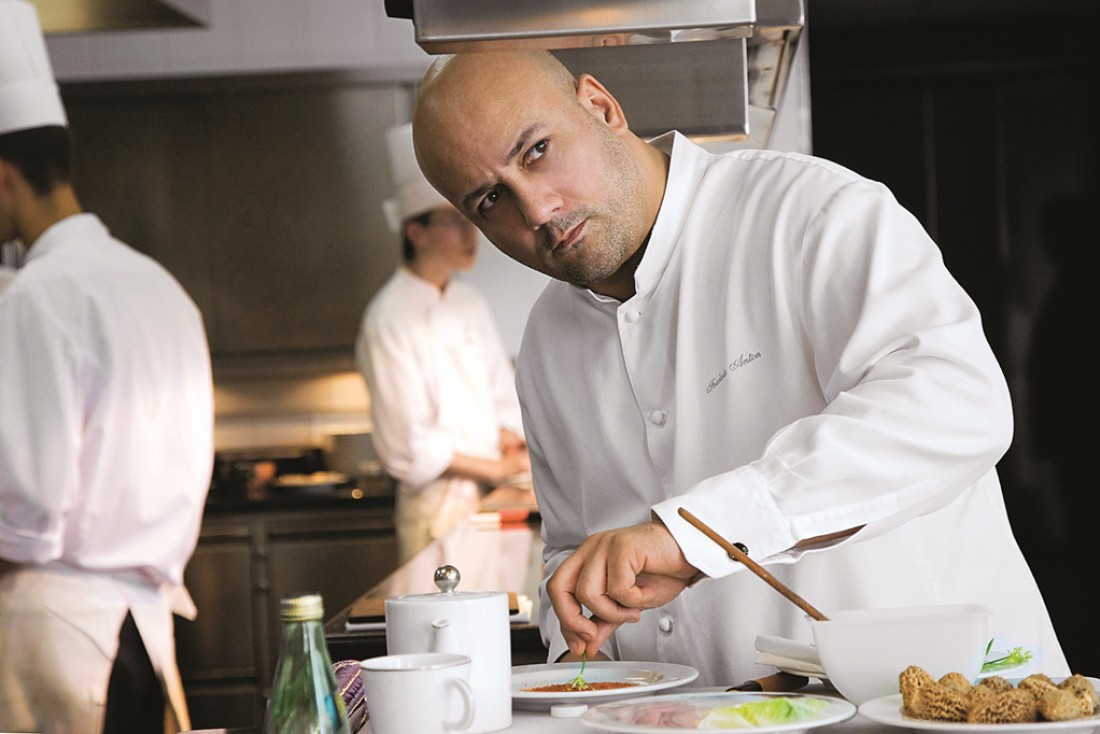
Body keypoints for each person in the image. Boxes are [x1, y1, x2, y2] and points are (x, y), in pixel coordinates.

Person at [409, 50, 1070, 687]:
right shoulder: (548, 342)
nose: (538, 209)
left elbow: (957, 401)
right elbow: (570, 550)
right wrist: (578, 654)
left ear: (601, 106)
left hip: (947, 702)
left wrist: (700, 531)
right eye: (490, 200)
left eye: (536, 151)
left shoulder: (808, 211)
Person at [0, 2, 215, 732]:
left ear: (3, 177)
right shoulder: (157, 285)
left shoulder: (37, 297)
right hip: (142, 625)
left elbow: (29, 510)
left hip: (60, 624)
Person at [355, 122, 531, 564]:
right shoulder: (389, 318)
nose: (471, 235)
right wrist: (494, 468)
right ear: (416, 233)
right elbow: (407, 447)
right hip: (435, 509)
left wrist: (510, 439)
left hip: (490, 499)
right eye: (454, 222)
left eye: (470, 219)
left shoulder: (469, 303)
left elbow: (500, 391)